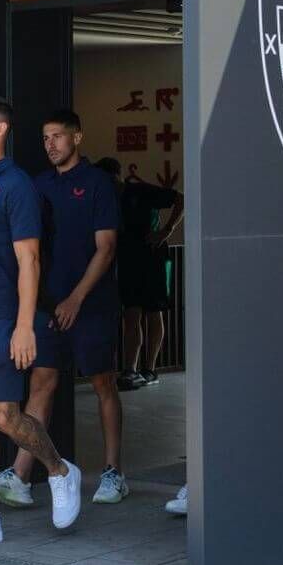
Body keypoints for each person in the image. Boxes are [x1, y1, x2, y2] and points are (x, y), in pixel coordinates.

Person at [0, 97, 82, 544]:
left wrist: (25, 326)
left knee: (3, 414)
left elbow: (30, 261)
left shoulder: (17, 186)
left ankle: (59, 470)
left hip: (4, 318)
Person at [0, 111, 125, 510]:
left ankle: (112, 472)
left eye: (58, 136)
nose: (50, 144)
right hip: (48, 307)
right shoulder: (37, 186)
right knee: (41, 383)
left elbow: (106, 248)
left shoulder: (98, 183)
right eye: (45, 137)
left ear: (77, 138)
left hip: (92, 304)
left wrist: (77, 298)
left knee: (103, 383)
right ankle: (19, 474)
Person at [94, 157, 183, 391]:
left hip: (153, 257)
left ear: (116, 177)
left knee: (154, 312)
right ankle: (130, 369)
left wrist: (166, 230)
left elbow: (180, 199)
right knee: (131, 314)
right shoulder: (106, 202)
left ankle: (150, 369)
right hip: (127, 261)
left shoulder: (140, 191)